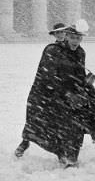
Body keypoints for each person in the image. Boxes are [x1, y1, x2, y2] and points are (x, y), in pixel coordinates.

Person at [19, 24, 95, 167]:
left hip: (72, 95)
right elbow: (48, 75)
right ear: (66, 36)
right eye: (72, 37)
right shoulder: (52, 50)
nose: (75, 41)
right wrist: (65, 93)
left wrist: (85, 83)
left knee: (76, 125)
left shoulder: (80, 52)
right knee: (54, 126)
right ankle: (62, 153)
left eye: (78, 38)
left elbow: (78, 74)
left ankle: (71, 156)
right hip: (49, 94)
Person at [14, 22, 67, 158]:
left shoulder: (71, 47)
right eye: (58, 33)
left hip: (61, 90)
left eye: (63, 32)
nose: (60, 35)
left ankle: (62, 149)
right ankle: (25, 141)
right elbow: (45, 70)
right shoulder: (51, 49)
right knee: (35, 117)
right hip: (45, 89)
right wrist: (52, 83)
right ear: (54, 35)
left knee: (59, 120)